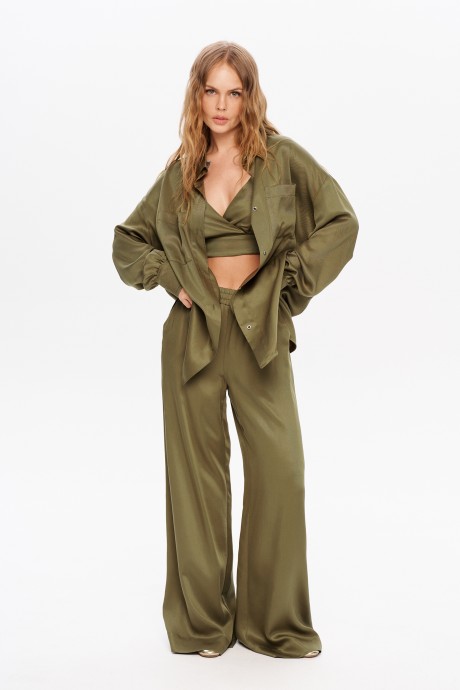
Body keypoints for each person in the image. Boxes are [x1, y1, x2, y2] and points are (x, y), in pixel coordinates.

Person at [112, 40, 359, 659]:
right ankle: (204, 624)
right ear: (197, 97)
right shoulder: (181, 171)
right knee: (197, 482)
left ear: (249, 97)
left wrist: (289, 283)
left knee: (281, 470)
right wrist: (170, 277)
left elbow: (341, 222)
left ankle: (273, 625)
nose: (221, 104)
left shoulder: (281, 158)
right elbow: (127, 242)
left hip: (259, 332)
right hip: (192, 336)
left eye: (234, 91)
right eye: (211, 91)